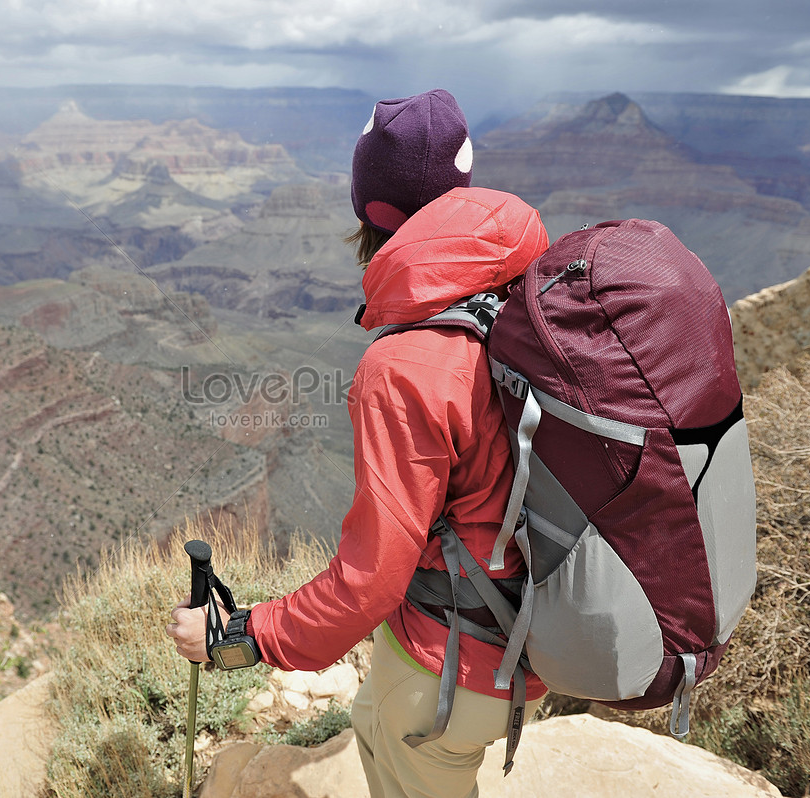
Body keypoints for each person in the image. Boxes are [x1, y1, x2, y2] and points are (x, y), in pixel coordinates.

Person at [167, 88, 550, 798]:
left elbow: (373, 575)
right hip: (532, 618)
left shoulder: (402, 366)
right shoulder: (529, 289)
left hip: (462, 657)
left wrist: (245, 635)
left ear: (375, 214)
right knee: (373, 720)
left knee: (405, 746)